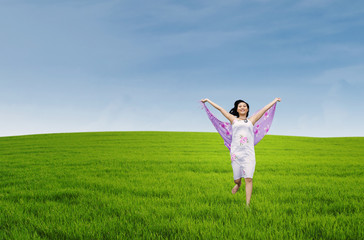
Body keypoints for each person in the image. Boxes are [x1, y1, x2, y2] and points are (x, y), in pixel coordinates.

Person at [201, 97, 281, 206]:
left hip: (249, 154)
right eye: (240, 106)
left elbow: (264, 109)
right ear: (237, 109)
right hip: (236, 154)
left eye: (244, 106)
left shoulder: (251, 120)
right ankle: (238, 185)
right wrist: (208, 101)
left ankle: (247, 205)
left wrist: (275, 100)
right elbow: (220, 109)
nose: (242, 107)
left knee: (248, 179)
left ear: (247, 109)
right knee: (236, 180)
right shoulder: (233, 119)